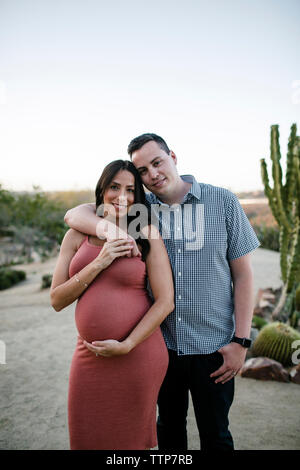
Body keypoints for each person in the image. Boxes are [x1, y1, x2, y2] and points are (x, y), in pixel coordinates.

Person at [64, 134, 260, 451]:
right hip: (161, 344)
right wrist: (112, 231)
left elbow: (244, 275)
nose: (152, 174)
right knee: (168, 434)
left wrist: (241, 341)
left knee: (216, 435)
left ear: (172, 156)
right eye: (142, 171)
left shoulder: (222, 201)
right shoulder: (140, 210)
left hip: (214, 345)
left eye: (157, 163)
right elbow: (75, 214)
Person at [50, 159, 174, 450]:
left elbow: (165, 301)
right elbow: (56, 300)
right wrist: (100, 262)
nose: (122, 196)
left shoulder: (146, 235)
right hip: (89, 355)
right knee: (85, 438)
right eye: (114, 187)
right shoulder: (77, 234)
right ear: (102, 189)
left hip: (138, 354)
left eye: (131, 190)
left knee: (130, 445)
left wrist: (128, 343)